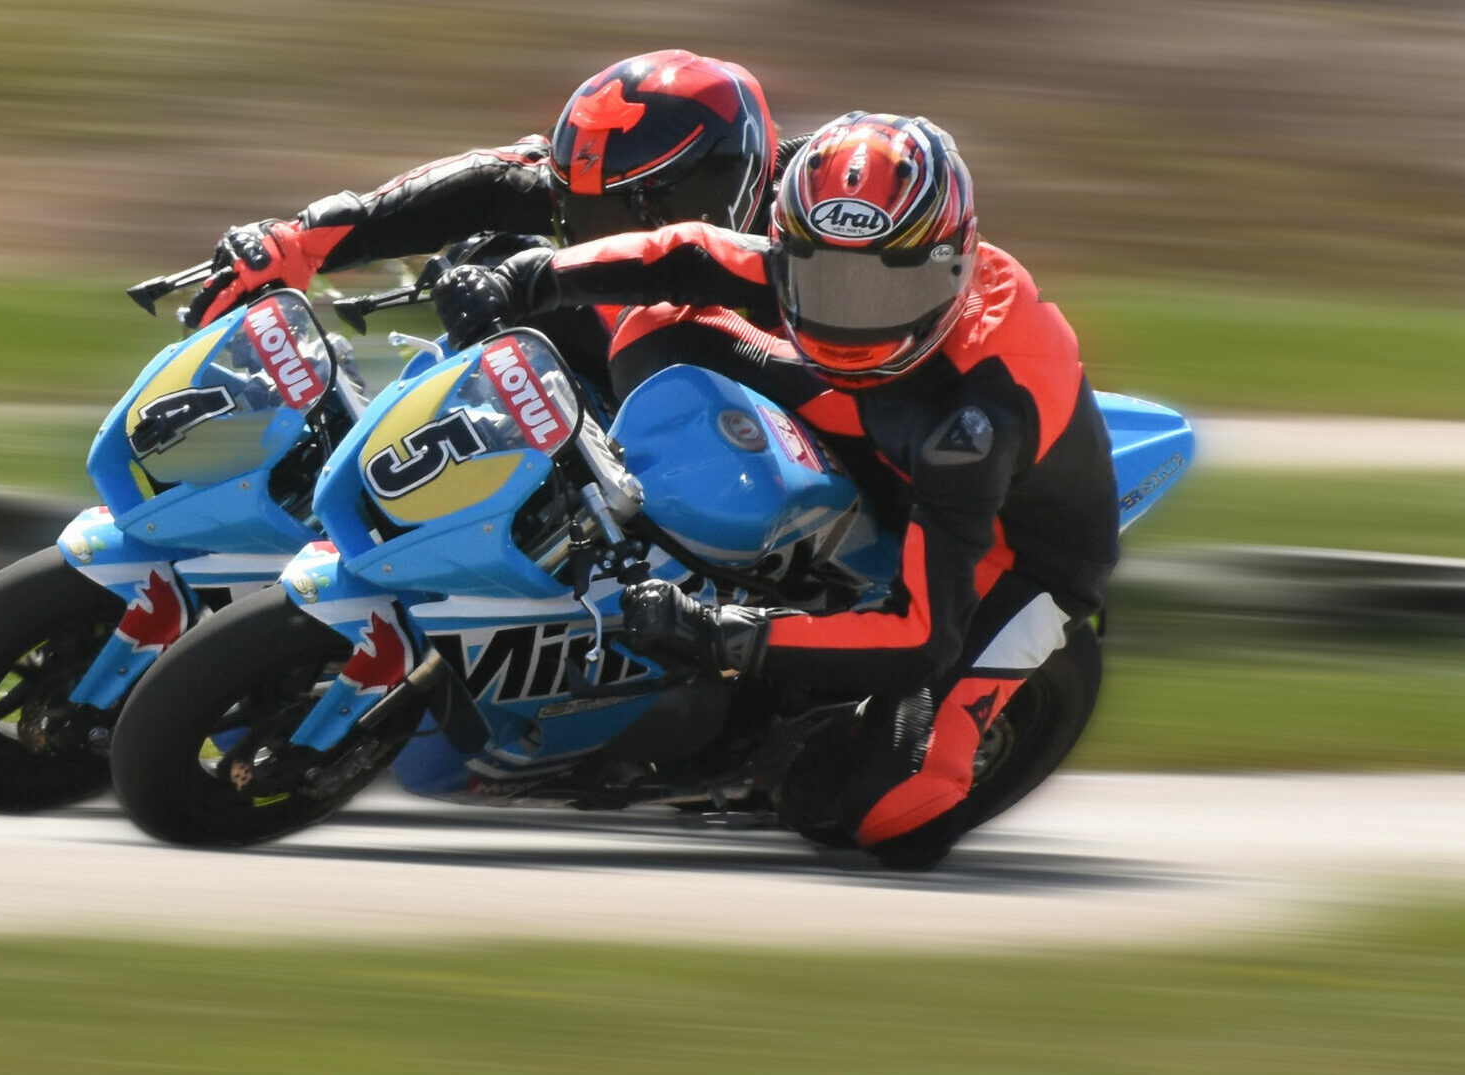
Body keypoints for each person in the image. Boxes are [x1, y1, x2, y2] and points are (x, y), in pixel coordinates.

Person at [430, 112, 1121, 869]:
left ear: (954, 264)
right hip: (881, 416)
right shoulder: (841, 262)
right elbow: (686, 252)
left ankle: (796, 721)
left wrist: (719, 633)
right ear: (787, 250)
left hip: (1004, 551)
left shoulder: (979, 420)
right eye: (824, 280)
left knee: (888, 816)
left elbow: (921, 635)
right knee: (660, 322)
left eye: (882, 289)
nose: (849, 315)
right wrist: (521, 280)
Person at [180, 50, 791, 387]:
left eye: (622, 213)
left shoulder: (826, 216)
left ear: (722, 183)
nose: (605, 241)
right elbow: (490, 183)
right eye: (581, 211)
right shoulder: (589, 176)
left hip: (818, 488)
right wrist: (302, 241)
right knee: (492, 260)